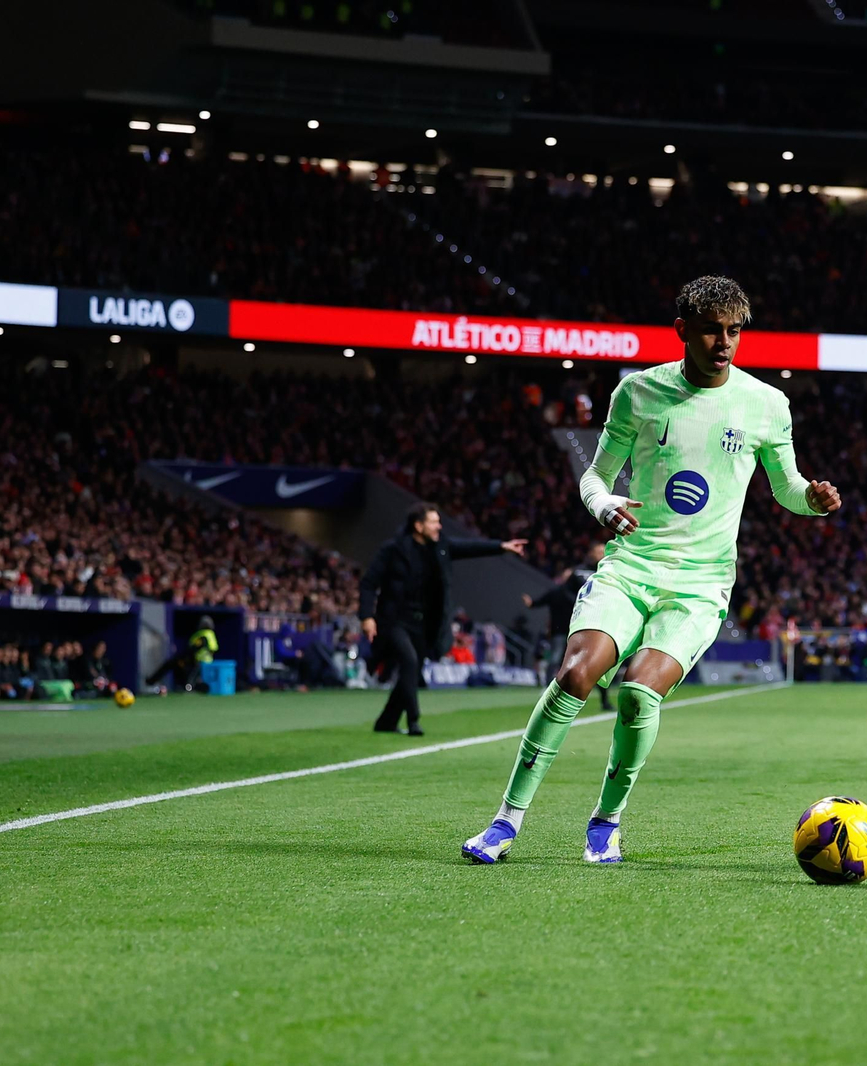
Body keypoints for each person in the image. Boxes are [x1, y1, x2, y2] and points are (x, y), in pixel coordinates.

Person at [463, 275, 842, 865]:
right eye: (713, 330)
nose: (724, 343)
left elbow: (788, 488)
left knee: (640, 693)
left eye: (734, 332)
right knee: (575, 676)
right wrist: (604, 503)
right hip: (632, 567)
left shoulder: (767, 404)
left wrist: (811, 500)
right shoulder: (638, 394)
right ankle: (505, 821)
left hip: (699, 585)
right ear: (683, 330)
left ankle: (605, 823)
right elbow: (595, 474)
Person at [359, 503, 527, 736]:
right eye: (433, 522)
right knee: (409, 662)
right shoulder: (393, 550)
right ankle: (414, 720)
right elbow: (368, 583)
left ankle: (386, 721)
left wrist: (502, 547)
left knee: (413, 668)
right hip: (394, 620)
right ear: (418, 526)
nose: (439, 526)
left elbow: (469, 547)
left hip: (423, 623)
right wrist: (366, 616)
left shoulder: (440, 548)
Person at [521, 542, 612, 710]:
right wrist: (533, 603)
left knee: (597, 662)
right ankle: (549, 692)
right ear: (591, 553)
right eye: (598, 550)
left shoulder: (610, 570)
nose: (601, 553)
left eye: (603, 550)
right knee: (556, 658)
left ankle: (604, 700)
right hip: (568, 627)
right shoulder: (578, 573)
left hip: (595, 624)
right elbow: (562, 594)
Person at [146, 615, 219, 692]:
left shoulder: (203, 635)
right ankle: (154, 681)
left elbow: (194, 649)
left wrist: (183, 656)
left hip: (197, 663)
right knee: (175, 663)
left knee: (172, 663)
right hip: (205, 663)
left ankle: (152, 681)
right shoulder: (211, 635)